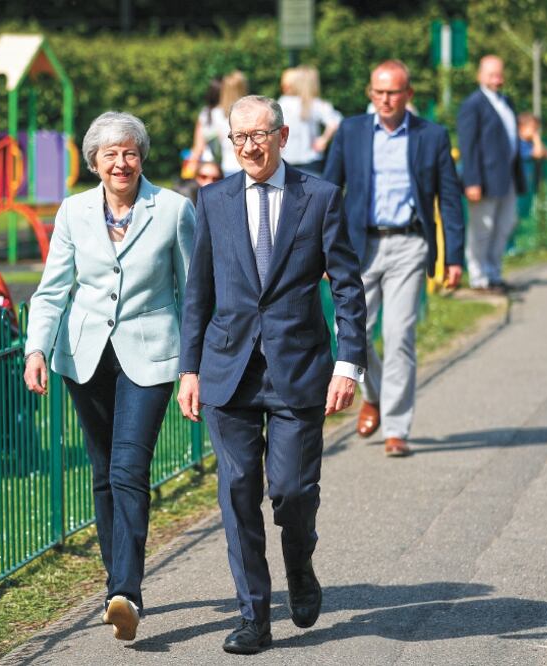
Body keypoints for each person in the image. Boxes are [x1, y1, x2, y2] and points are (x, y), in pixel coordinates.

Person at [178, 95, 367, 654]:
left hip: (299, 369)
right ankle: (253, 617)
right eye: (238, 138)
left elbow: (348, 288)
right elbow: (198, 295)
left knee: (291, 491)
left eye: (259, 135)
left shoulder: (320, 197)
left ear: (283, 137)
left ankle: (300, 565)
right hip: (227, 371)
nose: (249, 147)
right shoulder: (212, 201)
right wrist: (189, 368)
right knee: (238, 492)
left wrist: (348, 362)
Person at [23, 111, 195, 642]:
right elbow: (53, 289)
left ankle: (127, 592)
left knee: (128, 466)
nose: (121, 162)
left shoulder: (172, 210)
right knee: (102, 470)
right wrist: (36, 348)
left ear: (141, 157)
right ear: (94, 162)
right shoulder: (73, 212)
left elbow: (192, 294)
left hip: (151, 356)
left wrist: (194, 365)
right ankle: (115, 584)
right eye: (110, 154)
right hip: (85, 356)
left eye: (130, 152)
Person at [324, 59, 464, 458]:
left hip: (409, 243)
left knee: (401, 335)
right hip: (359, 248)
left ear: (408, 95)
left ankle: (397, 428)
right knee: (353, 334)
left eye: (394, 92)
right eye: (379, 92)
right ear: (370, 93)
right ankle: (377, 396)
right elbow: (330, 193)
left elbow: (449, 198)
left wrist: (454, 257)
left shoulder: (431, 135)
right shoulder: (350, 132)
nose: (386, 99)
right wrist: (323, 249)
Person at [457, 55, 527, 293]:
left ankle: (494, 272)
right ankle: (479, 276)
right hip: (484, 179)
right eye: (491, 74)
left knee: (504, 225)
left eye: (499, 74)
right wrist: (472, 180)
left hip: (506, 177)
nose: (496, 79)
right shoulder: (473, 104)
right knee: (482, 229)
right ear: (480, 76)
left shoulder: (506, 101)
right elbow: (468, 145)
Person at [278, 65, 342, 176]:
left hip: (288, 158)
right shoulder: (316, 103)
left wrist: (323, 139)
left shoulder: (285, 102)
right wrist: (324, 139)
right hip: (310, 159)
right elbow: (336, 121)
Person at [189, 71, 248, 177]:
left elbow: (200, 144)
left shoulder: (215, 113)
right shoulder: (250, 111)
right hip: (247, 164)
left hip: (226, 164)